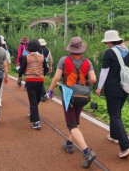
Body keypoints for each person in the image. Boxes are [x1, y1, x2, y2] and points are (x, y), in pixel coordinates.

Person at [47, 37, 97, 168]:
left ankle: (87, 152)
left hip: (69, 93)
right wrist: (83, 83)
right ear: (81, 49)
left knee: (71, 124)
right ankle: (69, 144)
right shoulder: (88, 62)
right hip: (82, 95)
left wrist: (50, 90)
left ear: (71, 48)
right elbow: (93, 79)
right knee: (75, 120)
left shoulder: (64, 60)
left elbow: (57, 77)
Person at [95, 30, 129, 159]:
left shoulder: (109, 52)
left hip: (112, 88)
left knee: (114, 115)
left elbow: (104, 72)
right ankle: (114, 136)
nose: (106, 44)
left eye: (106, 42)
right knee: (117, 112)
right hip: (125, 87)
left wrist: (99, 87)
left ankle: (126, 146)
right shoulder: (128, 51)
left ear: (110, 41)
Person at [18, 39, 48, 130]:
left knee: (33, 101)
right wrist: (42, 74)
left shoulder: (27, 57)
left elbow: (22, 68)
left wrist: (20, 76)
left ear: (29, 47)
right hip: (40, 80)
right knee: (37, 99)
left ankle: (36, 121)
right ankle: (35, 118)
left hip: (30, 81)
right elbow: (45, 69)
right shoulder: (42, 57)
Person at [0, 35, 11, 107]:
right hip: (1, 70)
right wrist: (7, 74)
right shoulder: (5, 50)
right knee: (0, 86)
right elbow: (8, 61)